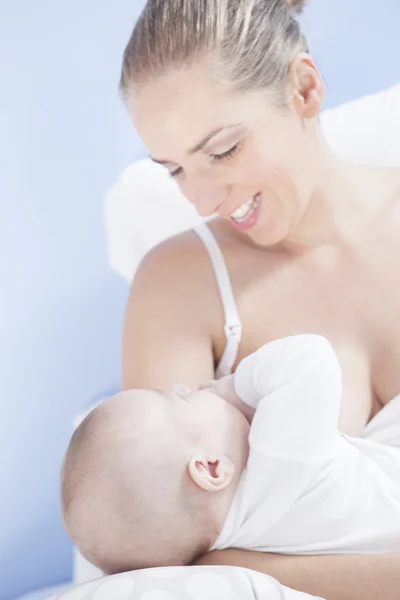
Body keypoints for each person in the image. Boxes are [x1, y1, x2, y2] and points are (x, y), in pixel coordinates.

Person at [119, 0, 400, 597]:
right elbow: (170, 562)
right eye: (175, 170)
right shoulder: (178, 287)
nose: (201, 199)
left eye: (222, 151)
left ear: (304, 89)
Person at [62, 335, 400, 576]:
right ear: (211, 468)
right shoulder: (279, 463)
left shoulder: (242, 541)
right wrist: (233, 388)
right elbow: (310, 355)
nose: (185, 387)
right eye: (180, 401)